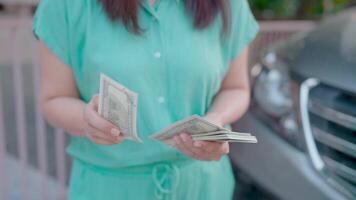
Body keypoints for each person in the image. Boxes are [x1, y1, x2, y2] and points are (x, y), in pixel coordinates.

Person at [33, 0, 259, 199]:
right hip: (108, 189)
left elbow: (236, 88)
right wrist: (87, 119)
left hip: (204, 186)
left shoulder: (229, 4)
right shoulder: (64, 5)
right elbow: (54, 98)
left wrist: (215, 119)